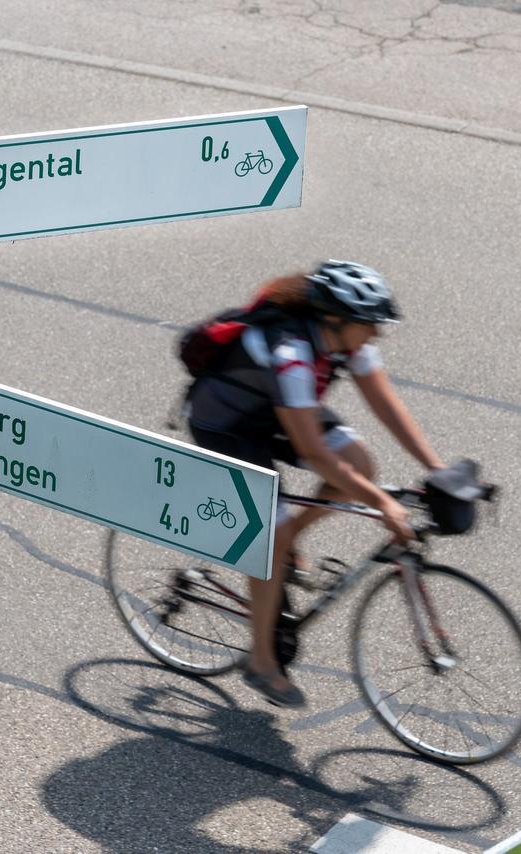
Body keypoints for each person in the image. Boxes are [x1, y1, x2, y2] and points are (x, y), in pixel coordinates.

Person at [185, 260, 444, 708]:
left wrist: (437, 470)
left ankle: (285, 548)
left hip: (277, 413)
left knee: (359, 463)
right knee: (274, 531)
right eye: (370, 325)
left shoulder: (346, 339)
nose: (377, 335)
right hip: (226, 425)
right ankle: (261, 661)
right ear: (336, 320)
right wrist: (384, 504)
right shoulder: (291, 354)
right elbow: (318, 453)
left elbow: (386, 404)